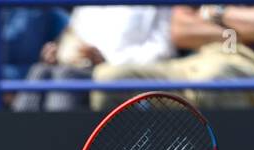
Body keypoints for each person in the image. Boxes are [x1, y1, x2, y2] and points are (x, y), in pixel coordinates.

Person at [91, 5, 254, 109]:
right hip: (197, 60)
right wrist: (246, 29)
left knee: (214, 78)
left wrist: (217, 12)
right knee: (109, 78)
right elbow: (180, 30)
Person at [14, 6, 174, 112]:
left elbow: (163, 49)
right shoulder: (84, 8)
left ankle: (56, 148)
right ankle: (15, 143)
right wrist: (58, 50)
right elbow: (71, 34)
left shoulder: (156, 7)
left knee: (66, 77)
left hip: (113, 71)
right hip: (75, 67)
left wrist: (106, 61)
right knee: (39, 71)